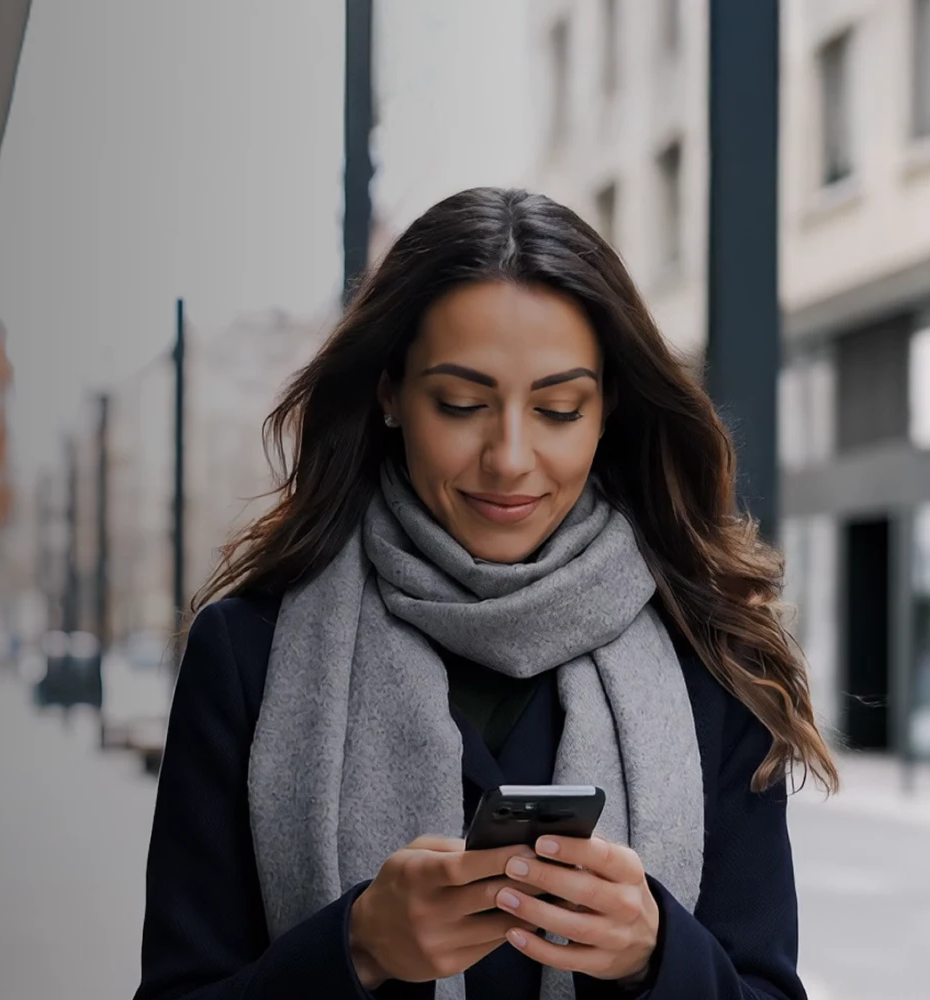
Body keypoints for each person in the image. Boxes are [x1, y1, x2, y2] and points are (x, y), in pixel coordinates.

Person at [133, 187, 834, 1000]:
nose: (509, 457)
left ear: (608, 409)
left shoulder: (708, 660)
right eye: (461, 404)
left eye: (558, 409)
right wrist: (355, 948)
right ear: (390, 394)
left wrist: (656, 953)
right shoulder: (247, 654)